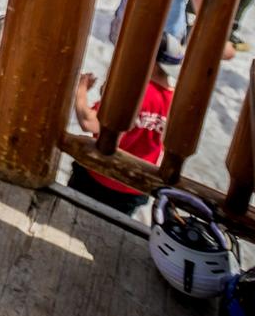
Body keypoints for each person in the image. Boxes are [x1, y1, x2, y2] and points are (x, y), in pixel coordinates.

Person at [69, 44, 177, 216]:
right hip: (134, 185)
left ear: (151, 61)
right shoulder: (174, 101)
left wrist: (80, 91)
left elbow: (89, 122)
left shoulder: (134, 90)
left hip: (98, 176)